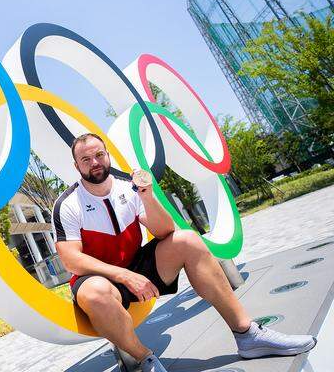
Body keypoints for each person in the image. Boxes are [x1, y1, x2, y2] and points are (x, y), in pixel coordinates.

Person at [52, 133, 316, 372]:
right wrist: (123, 276)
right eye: (86, 159)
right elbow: (71, 259)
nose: (94, 162)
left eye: (99, 154)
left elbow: (165, 230)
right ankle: (146, 360)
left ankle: (247, 334)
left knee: (188, 240)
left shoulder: (128, 185)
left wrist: (147, 196)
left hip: (136, 265)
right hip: (99, 279)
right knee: (96, 291)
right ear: (77, 167)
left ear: (107, 155)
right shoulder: (67, 203)